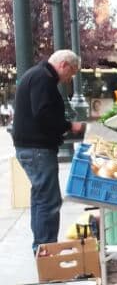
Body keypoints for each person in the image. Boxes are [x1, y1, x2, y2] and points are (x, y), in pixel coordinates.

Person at [13, 50, 86, 251]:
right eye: (71, 73)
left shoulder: (38, 75)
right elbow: (43, 114)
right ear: (63, 65)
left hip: (31, 147)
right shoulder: (43, 79)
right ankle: (46, 249)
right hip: (37, 149)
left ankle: (42, 247)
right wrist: (69, 126)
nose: (69, 79)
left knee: (41, 199)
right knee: (49, 201)